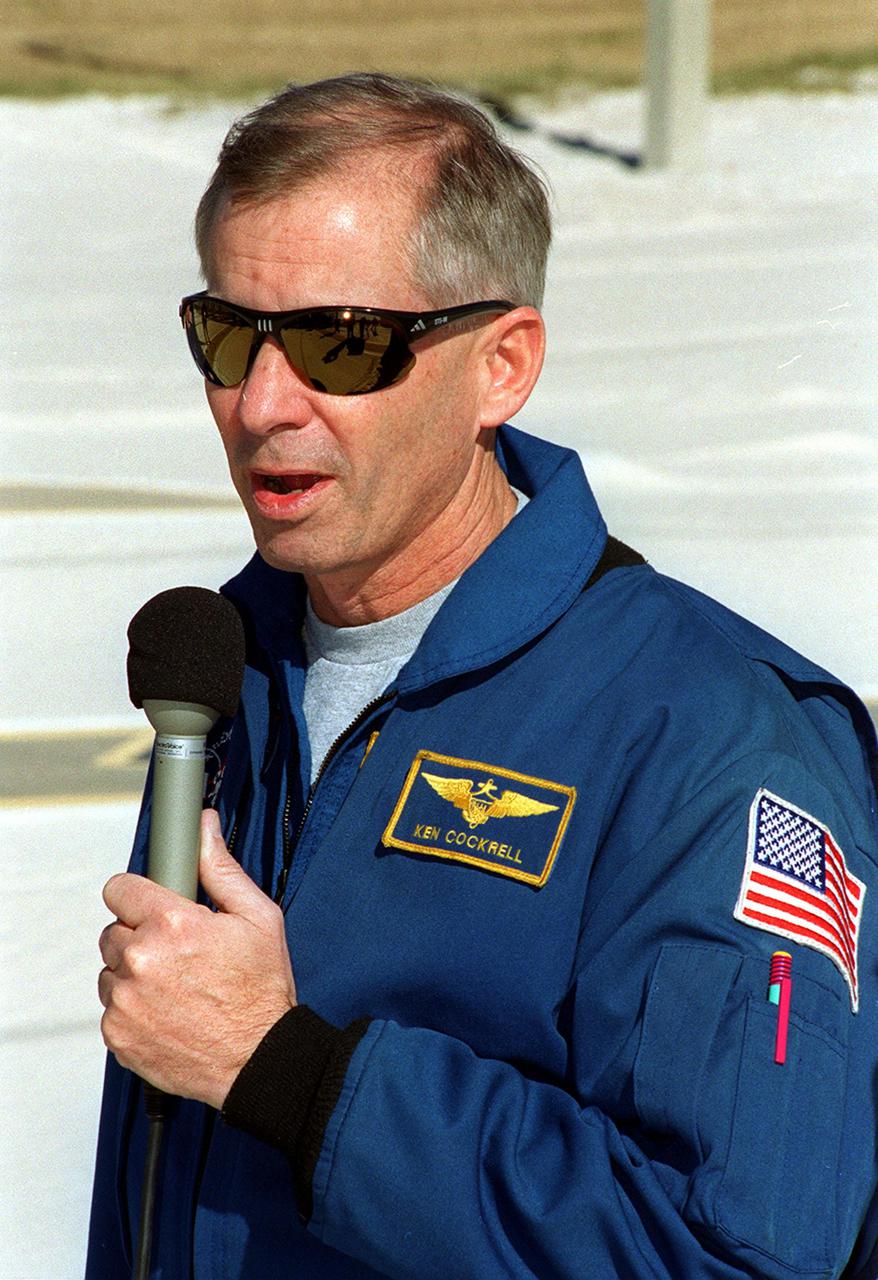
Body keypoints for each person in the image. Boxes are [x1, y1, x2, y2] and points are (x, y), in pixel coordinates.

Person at [87, 72, 878, 1279]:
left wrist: (290, 1070)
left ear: (502, 366)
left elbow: (735, 1251)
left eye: (341, 344)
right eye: (226, 336)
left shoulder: (717, 739)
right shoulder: (229, 675)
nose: (259, 404)